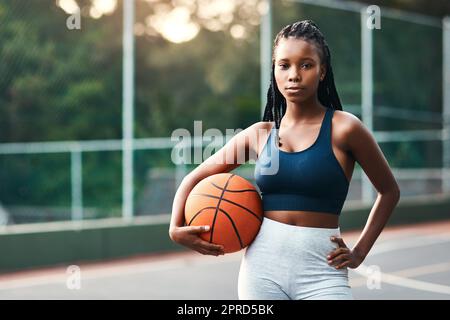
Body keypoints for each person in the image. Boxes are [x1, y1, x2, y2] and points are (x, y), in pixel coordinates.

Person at [169, 20, 400, 300]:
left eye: (306, 65)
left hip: (323, 270)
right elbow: (194, 177)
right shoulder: (259, 135)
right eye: (284, 65)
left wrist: (360, 252)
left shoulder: (345, 128)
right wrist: (175, 228)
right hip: (262, 270)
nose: (294, 75)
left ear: (322, 70)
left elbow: (389, 191)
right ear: (275, 71)